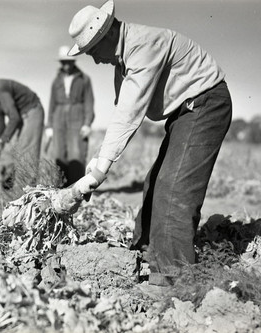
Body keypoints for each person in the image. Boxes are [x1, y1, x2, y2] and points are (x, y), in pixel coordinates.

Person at [69, 1, 233, 286]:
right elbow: (121, 112)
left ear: (106, 35)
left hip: (206, 104)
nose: (95, 60)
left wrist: (98, 174)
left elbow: (130, 115)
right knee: (154, 182)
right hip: (186, 111)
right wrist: (96, 163)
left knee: (173, 188)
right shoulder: (123, 59)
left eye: (93, 51)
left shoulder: (143, 46)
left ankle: (173, 280)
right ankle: (146, 256)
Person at [46, 45, 95, 187]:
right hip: (58, 118)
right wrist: (49, 125)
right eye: (63, 62)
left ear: (73, 62)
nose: (66, 65)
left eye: (68, 62)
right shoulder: (56, 80)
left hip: (77, 116)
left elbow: (89, 102)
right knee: (59, 154)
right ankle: (61, 188)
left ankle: (77, 188)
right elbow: (52, 103)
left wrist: (87, 123)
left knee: (76, 153)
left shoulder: (84, 79)